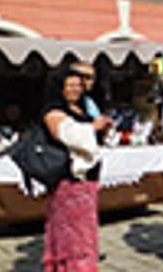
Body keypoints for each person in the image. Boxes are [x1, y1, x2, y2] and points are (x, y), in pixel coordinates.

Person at [42, 70, 113, 272]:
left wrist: (102, 129)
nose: (75, 89)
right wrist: (93, 126)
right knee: (71, 234)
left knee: (85, 232)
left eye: (78, 85)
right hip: (68, 181)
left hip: (87, 181)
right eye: (70, 85)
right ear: (60, 87)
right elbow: (65, 134)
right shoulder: (53, 109)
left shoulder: (83, 108)